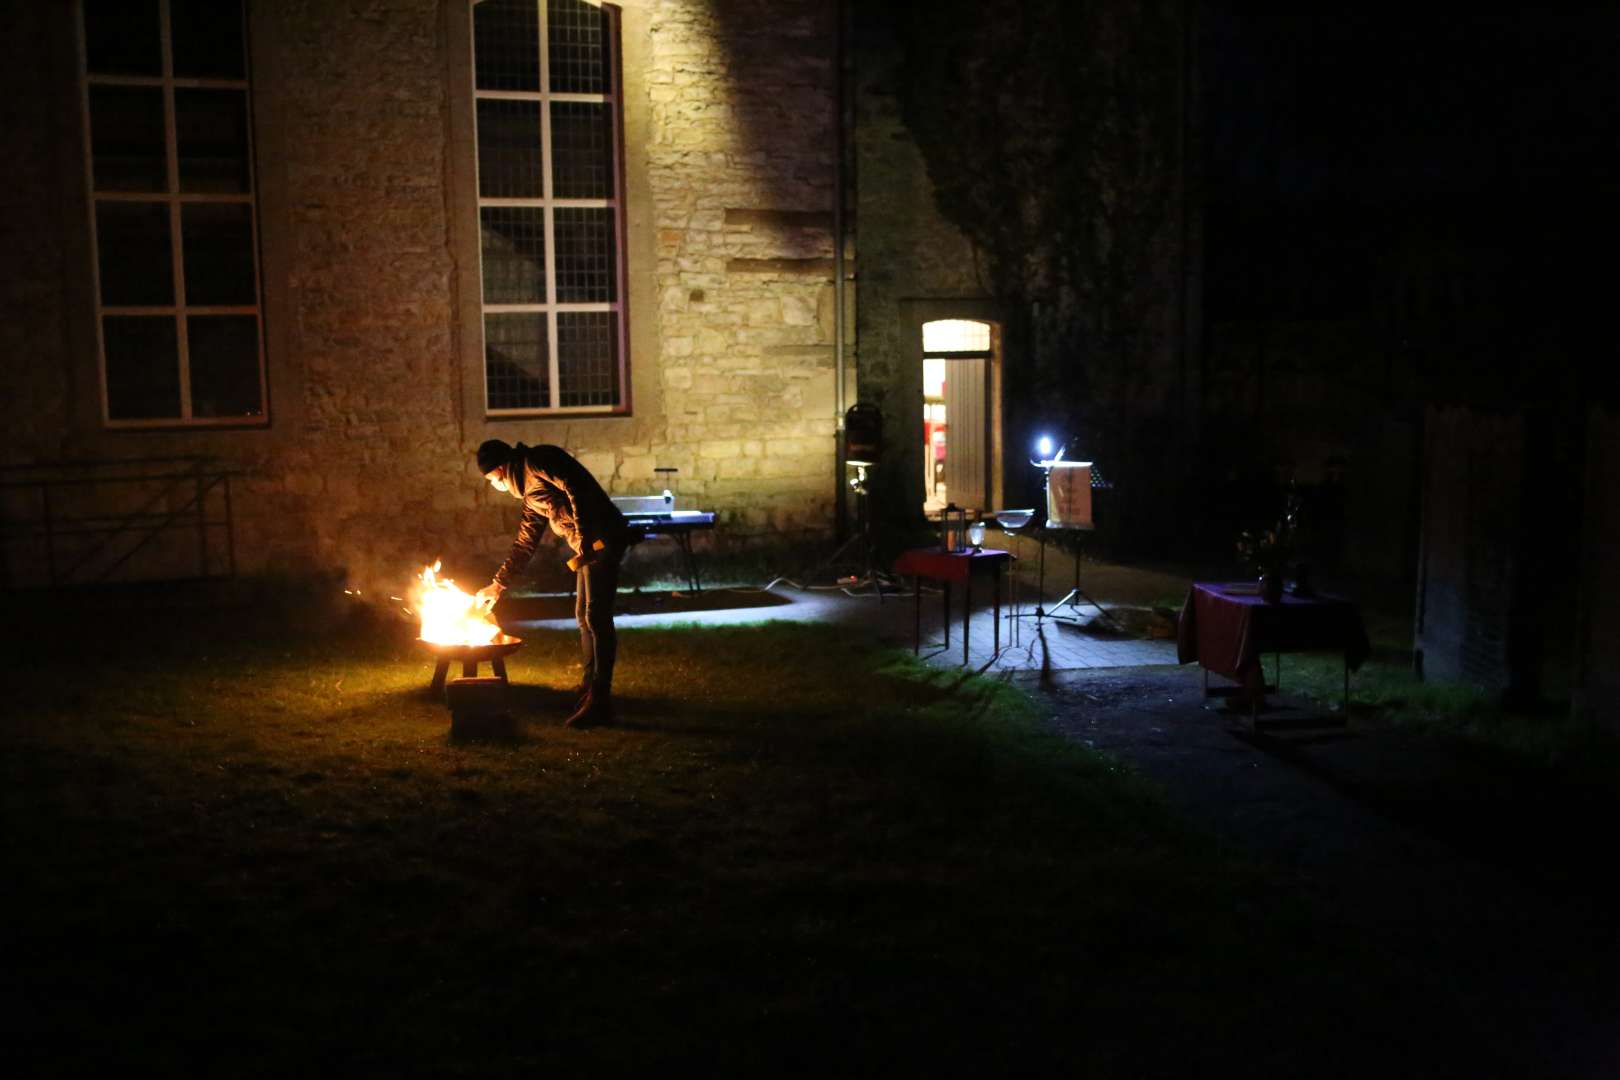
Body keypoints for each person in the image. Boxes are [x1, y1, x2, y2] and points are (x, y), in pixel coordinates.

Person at [473, 439, 629, 728]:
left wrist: (582, 536)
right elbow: (524, 543)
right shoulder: (530, 497)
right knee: (583, 615)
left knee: (596, 615)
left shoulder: (539, 460)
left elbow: (575, 487)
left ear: (502, 468)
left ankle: (600, 700)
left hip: (602, 539)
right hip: (585, 547)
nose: (494, 485)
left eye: (492, 478)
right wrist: (498, 584)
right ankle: (589, 688)